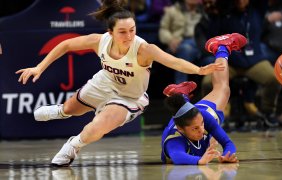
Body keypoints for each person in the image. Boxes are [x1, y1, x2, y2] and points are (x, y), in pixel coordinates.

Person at [15, 0, 224, 167]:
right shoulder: (100, 41)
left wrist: (199, 70)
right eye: (123, 32)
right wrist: (39, 68)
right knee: (71, 109)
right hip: (104, 82)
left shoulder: (143, 49)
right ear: (111, 33)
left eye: (132, 30)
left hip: (130, 97)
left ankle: (73, 145)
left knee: (99, 125)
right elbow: (67, 44)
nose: (129, 36)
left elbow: (173, 61)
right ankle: (61, 111)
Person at [161, 33, 247, 165]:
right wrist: (200, 160)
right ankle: (182, 95)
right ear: (180, 129)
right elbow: (178, 157)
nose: (202, 130)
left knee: (222, 89)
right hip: (187, 120)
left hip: (200, 112)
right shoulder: (174, 139)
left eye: (201, 124)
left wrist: (226, 155)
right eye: (195, 128)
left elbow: (227, 143)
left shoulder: (203, 117)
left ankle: (221, 48)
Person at [195, 0, 282, 128]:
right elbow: (211, 36)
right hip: (229, 62)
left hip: (254, 60)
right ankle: (212, 116)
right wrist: (214, 16)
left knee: (274, 78)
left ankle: (268, 113)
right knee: (208, 83)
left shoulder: (257, 9)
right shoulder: (223, 11)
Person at [159, 0, 206, 84]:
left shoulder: (204, 11)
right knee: (186, 49)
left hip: (200, 43)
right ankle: (181, 88)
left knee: (212, 59)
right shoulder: (172, 10)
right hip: (180, 43)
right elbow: (163, 29)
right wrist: (170, 40)